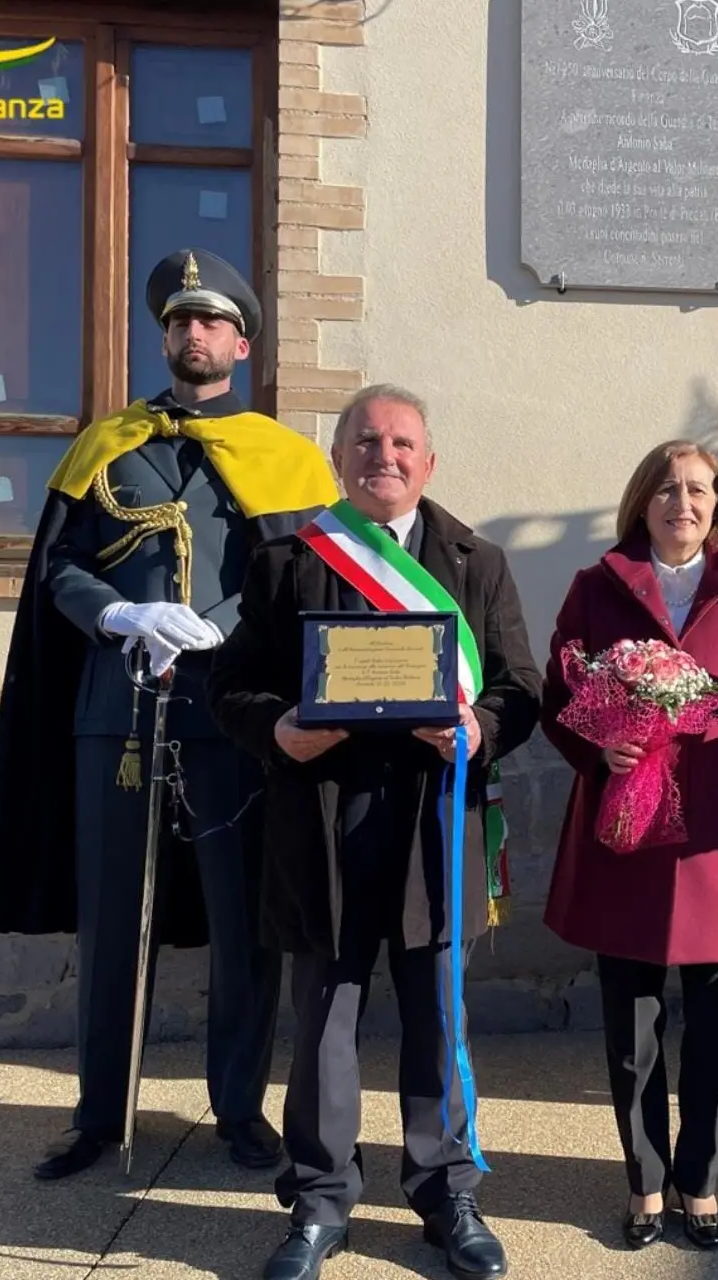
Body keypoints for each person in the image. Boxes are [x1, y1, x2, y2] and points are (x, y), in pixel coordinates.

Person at [0, 248, 339, 1181]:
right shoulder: (106, 446)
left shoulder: (288, 461)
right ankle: (99, 1114)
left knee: (242, 917)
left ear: (241, 343)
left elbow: (305, 589)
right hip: (115, 714)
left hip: (231, 719)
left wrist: (218, 633)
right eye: (179, 319)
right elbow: (57, 567)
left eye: (211, 320)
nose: (192, 333)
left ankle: (239, 1111)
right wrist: (121, 613)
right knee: (111, 917)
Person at [208, 385, 541, 1280]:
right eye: (364, 441)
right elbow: (230, 687)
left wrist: (478, 730)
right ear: (338, 456)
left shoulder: (478, 562)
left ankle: (446, 1193)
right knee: (324, 1019)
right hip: (323, 821)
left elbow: (519, 686)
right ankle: (318, 1201)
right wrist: (277, 726)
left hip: (436, 819)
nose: (382, 456)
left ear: (428, 463)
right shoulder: (284, 560)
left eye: (401, 443)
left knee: (439, 1013)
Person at [541, 441, 718, 1253]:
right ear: (641, 503)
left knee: (716, 1023)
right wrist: (599, 748)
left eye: (698, 490)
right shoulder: (596, 589)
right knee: (631, 1024)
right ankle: (644, 1180)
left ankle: (699, 1178)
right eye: (666, 489)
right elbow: (562, 692)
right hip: (631, 830)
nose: (682, 503)